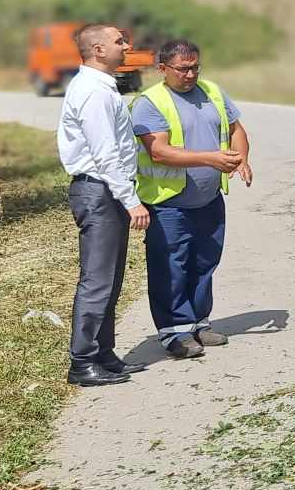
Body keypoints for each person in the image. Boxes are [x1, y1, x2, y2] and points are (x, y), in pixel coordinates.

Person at [131, 39, 251, 360]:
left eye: (195, 67)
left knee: (204, 262)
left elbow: (236, 128)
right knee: (171, 266)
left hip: (209, 200)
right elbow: (159, 151)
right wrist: (210, 159)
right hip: (169, 204)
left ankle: (200, 321)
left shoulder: (212, 91)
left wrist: (242, 160)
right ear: (163, 69)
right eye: (183, 69)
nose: (190, 74)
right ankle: (174, 330)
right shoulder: (150, 102)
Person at [55, 23, 149, 387]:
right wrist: (131, 200)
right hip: (100, 192)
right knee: (96, 280)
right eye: (119, 41)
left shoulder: (103, 88)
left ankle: (104, 354)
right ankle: (82, 362)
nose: (127, 46)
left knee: (110, 278)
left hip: (106, 190)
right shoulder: (93, 92)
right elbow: (105, 154)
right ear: (97, 50)